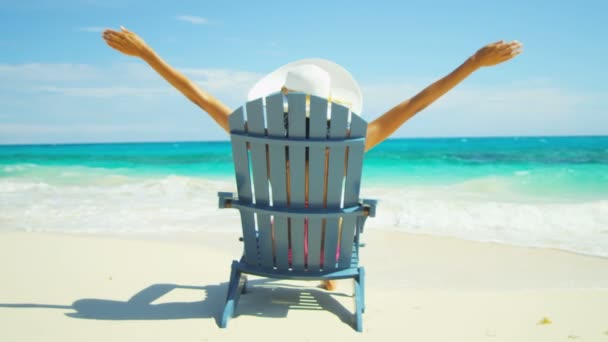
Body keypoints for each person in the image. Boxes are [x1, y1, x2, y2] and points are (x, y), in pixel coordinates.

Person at [102, 26, 522, 290]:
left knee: (285, 213)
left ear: (281, 98)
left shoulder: (253, 134)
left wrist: (147, 55)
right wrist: (473, 63)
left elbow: (199, 97)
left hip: (268, 252)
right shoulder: (353, 138)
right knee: (336, 214)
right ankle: (325, 276)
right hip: (327, 254)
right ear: (333, 103)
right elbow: (415, 104)